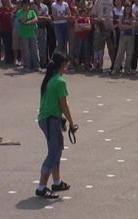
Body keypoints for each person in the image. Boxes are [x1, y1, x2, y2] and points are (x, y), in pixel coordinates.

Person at [36, 52, 76, 198]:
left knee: (57, 150)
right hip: (50, 120)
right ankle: (41, 187)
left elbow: (52, 104)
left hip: (47, 119)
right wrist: (71, 123)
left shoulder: (49, 79)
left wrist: (61, 122)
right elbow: (63, 105)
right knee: (54, 153)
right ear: (62, 65)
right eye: (66, 65)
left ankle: (57, 182)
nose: (67, 67)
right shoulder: (60, 81)